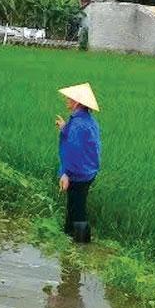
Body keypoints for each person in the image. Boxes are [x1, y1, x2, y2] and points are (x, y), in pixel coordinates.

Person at [56, 82, 101, 243]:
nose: (67, 100)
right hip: (88, 171)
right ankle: (69, 242)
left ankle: (81, 247)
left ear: (77, 103)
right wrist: (64, 128)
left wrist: (66, 173)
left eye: (70, 98)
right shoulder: (87, 121)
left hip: (78, 173)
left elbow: (73, 152)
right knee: (74, 207)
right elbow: (78, 142)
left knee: (78, 211)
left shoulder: (79, 125)